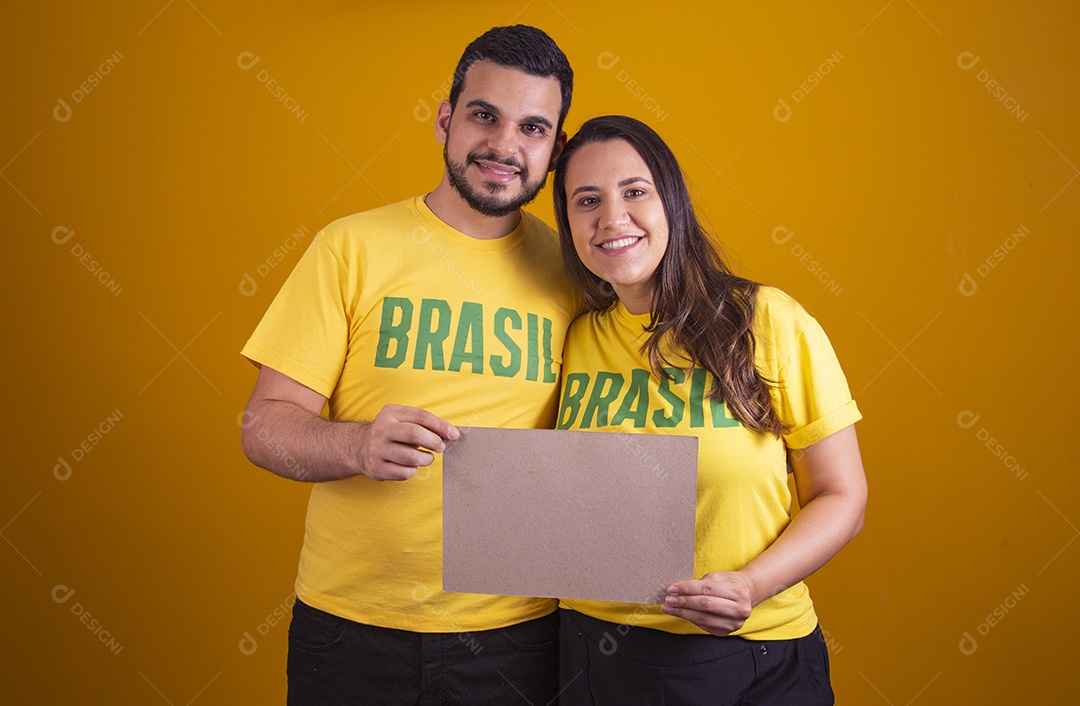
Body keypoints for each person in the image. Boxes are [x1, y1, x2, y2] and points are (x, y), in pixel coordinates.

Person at [239, 25, 577, 705]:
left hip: (520, 635)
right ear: (446, 119)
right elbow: (263, 426)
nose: (505, 145)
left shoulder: (580, 274)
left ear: (555, 149)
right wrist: (358, 444)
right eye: (484, 115)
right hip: (350, 632)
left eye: (532, 127)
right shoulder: (350, 247)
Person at [551, 115, 868, 705]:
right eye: (586, 200)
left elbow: (841, 496)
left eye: (635, 191)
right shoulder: (572, 339)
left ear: (671, 199)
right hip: (598, 655)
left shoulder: (764, 320)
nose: (611, 219)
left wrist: (751, 584)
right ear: (568, 223)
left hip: (756, 655)